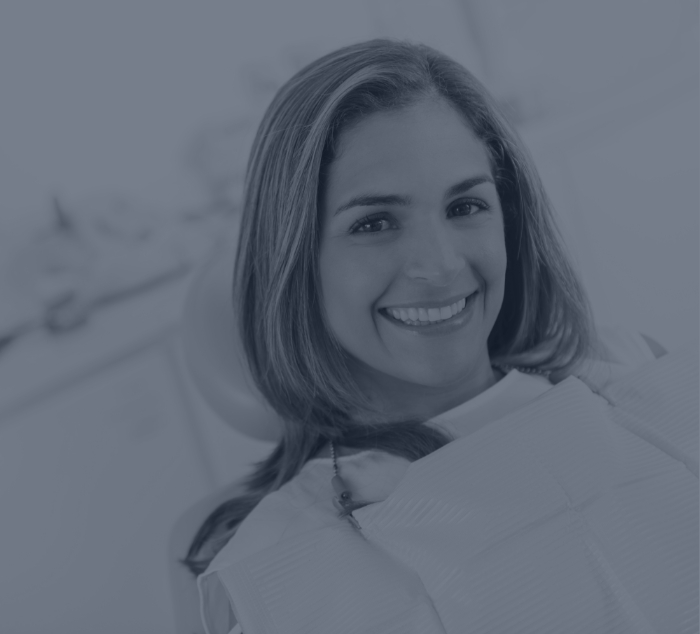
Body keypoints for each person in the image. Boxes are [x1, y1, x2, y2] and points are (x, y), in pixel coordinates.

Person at [180, 39, 698, 634]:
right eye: (374, 223)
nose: (442, 264)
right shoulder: (268, 570)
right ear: (294, 260)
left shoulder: (631, 370)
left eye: (466, 206)